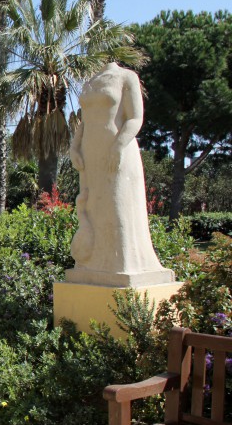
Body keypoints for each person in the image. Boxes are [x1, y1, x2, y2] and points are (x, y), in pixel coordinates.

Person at [68, 61, 172, 285]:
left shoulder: (126, 77)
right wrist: (74, 147)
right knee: (92, 206)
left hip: (117, 152)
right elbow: (83, 122)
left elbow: (135, 118)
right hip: (90, 156)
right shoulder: (89, 82)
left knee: (118, 208)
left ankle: (124, 264)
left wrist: (118, 145)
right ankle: (94, 263)